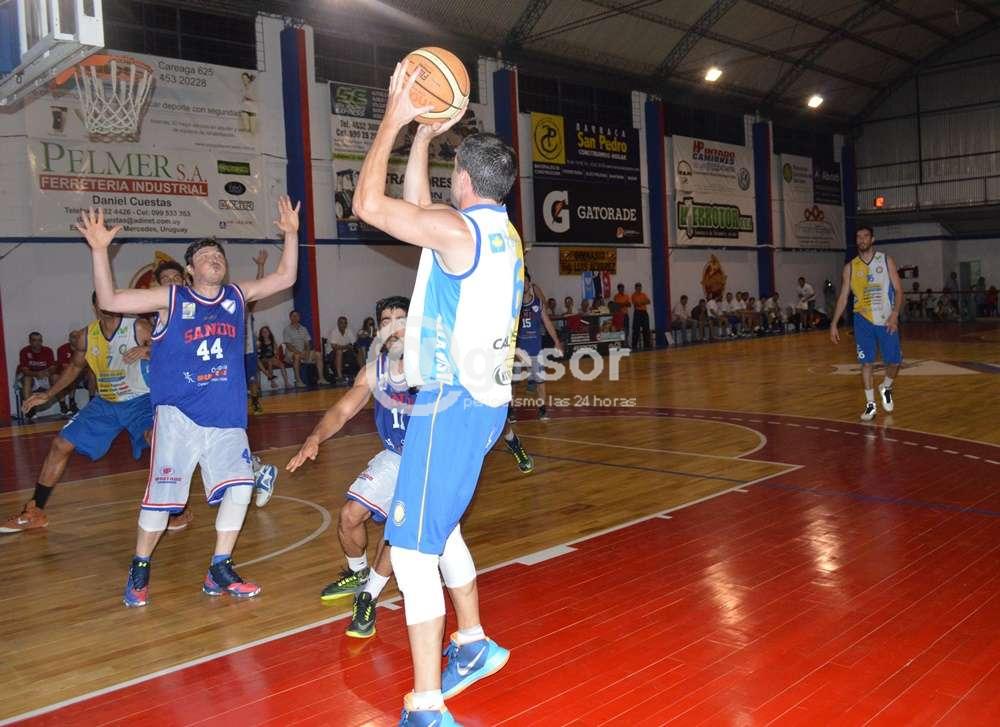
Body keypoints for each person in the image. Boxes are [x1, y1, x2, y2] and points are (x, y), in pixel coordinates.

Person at [353, 64, 516, 726]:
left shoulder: (458, 231)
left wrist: (395, 119)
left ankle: (426, 704)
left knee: (413, 554)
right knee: (438, 527)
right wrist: (423, 139)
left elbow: (369, 207)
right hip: (485, 405)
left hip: (451, 405)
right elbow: (422, 213)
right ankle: (472, 642)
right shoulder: (496, 231)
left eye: (452, 171)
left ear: (465, 180)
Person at [77, 196, 300, 608]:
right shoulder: (172, 299)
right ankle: (140, 567)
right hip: (178, 416)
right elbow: (110, 300)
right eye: (205, 256)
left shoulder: (236, 295)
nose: (215, 259)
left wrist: (291, 234)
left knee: (241, 487)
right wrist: (98, 250)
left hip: (226, 417)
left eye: (219, 255)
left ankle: (220, 567)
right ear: (191, 270)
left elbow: (286, 276)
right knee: (163, 501)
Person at [287, 296, 413, 638]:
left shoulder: (431, 364)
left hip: (427, 464)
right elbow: (343, 411)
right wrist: (315, 437)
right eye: (385, 320)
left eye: (401, 319)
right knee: (348, 516)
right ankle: (358, 572)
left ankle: (368, 596)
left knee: (397, 532)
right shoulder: (375, 370)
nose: (393, 326)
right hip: (394, 456)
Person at [1, 293, 153, 534]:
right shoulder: (87, 336)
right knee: (60, 444)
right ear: (95, 306)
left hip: (140, 400)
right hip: (106, 403)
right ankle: (35, 512)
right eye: (103, 302)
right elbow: (75, 366)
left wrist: (149, 351)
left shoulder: (139, 327)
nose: (109, 306)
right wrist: (48, 394)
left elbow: (171, 353)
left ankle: (178, 509)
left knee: (156, 440)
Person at [152, 261, 279, 532]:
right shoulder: (165, 309)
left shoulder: (209, 303)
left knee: (204, 444)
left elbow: (252, 297)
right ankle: (252, 471)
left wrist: (260, 270)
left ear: (186, 278)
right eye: (165, 279)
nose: (172, 282)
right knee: (177, 447)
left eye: (175, 277)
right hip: (180, 391)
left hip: (219, 376)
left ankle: (252, 472)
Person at [830, 225, 904, 422]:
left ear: (872, 239)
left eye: (865, 236)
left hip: (886, 319)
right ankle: (870, 405)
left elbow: (898, 290)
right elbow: (843, 297)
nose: (861, 239)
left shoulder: (886, 260)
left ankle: (886, 387)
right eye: (858, 236)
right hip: (863, 321)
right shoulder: (850, 267)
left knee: (895, 362)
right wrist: (834, 323)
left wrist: (895, 314)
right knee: (866, 363)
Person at [516, 271, 563, 421]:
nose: (523, 284)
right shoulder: (514, 304)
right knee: (513, 383)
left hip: (535, 349)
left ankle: (542, 409)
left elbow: (547, 323)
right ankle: (510, 410)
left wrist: (556, 341)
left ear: (529, 284)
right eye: (521, 281)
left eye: (526, 281)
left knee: (540, 382)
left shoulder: (537, 303)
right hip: (517, 351)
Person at [245, 250, 269, 414]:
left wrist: (261, 267)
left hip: (248, 349)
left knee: (252, 377)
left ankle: (255, 402)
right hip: (232, 350)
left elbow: (258, 287)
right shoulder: (226, 309)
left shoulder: (247, 307)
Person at [18, 332, 58, 420]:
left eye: (40, 340)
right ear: (30, 341)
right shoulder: (25, 351)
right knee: (26, 379)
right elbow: (25, 371)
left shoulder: (48, 350)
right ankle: (30, 410)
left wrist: (47, 372)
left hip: (45, 377)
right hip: (33, 378)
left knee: (56, 377)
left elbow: (53, 368)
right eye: (34, 340)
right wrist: (36, 374)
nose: (38, 343)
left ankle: (63, 406)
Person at [284, 310, 329, 387]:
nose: (295, 317)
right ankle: (298, 381)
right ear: (290, 318)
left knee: (318, 354)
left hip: (303, 351)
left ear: (299, 318)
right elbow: (288, 345)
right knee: (297, 356)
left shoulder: (303, 328)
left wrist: (307, 354)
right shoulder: (287, 329)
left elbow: (307, 343)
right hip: (291, 353)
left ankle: (321, 379)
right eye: (293, 316)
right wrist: (299, 353)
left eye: (297, 316)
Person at [326, 315, 354, 384]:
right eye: (341, 323)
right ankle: (340, 377)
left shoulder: (348, 331)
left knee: (357, 350)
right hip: (331, 353)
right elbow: (334, 347)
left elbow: (354, 343)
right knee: (339, 351)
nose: (343, 324)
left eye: (345, 323)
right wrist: (346, 346)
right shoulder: (334, 332)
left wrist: (347, 347)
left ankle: (355, 375)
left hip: (345, 352)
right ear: (338, 323)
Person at [631, 282, 651, 350]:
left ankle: (647, 346)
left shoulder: (643, 294)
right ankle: (634, 346)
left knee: (646, 329)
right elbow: (637, 304)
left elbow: (649, 301)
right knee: (636, 330)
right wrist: (643, 302)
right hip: (637, 313)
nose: (639, 289)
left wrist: (642, 302)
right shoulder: (633, 295)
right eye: (638, 288)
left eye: (640, 288)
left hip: (644, 313)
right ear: (635, 288)